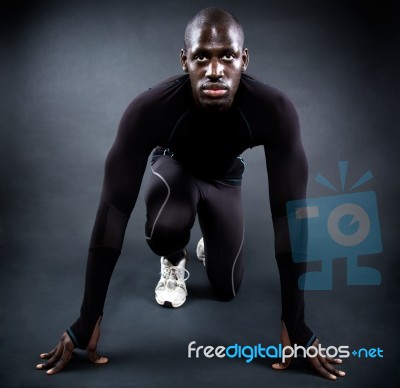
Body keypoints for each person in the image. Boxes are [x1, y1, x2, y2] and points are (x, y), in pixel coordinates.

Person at [36, 7, 345, 380]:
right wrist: (87, 320)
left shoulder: (273, 110)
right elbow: (112, 215)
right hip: (175, 173)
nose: (215, 70)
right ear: (185, 61)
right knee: (166, 226)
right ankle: (174, 254)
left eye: (226, 56)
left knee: (227, 288)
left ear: (243, 60)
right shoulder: (148, 110)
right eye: (202, 57)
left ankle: (209, 240)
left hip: (225, 181)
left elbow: (290, 219)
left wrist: (296, 325)